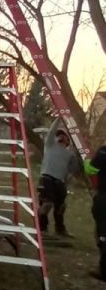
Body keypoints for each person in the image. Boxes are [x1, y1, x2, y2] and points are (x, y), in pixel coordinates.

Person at [37, 120, 80, 236]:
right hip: (47, 178)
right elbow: (52, 131)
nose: (60, 136)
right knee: (47, 204)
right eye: (58, 135)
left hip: (60, 181)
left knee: (61, 206)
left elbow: (72, 170)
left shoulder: (70, 154)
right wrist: (58, 119)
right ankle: (41, 228)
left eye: (63, 135)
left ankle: (60, 229)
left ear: (68, 140)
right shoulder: (50, 145)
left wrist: (68, 181)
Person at [85, 145, 106, 281]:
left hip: (104, 198)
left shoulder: (104, 151)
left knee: (102, 233)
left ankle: (104, 271)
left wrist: (86, 160)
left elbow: (90, 169)